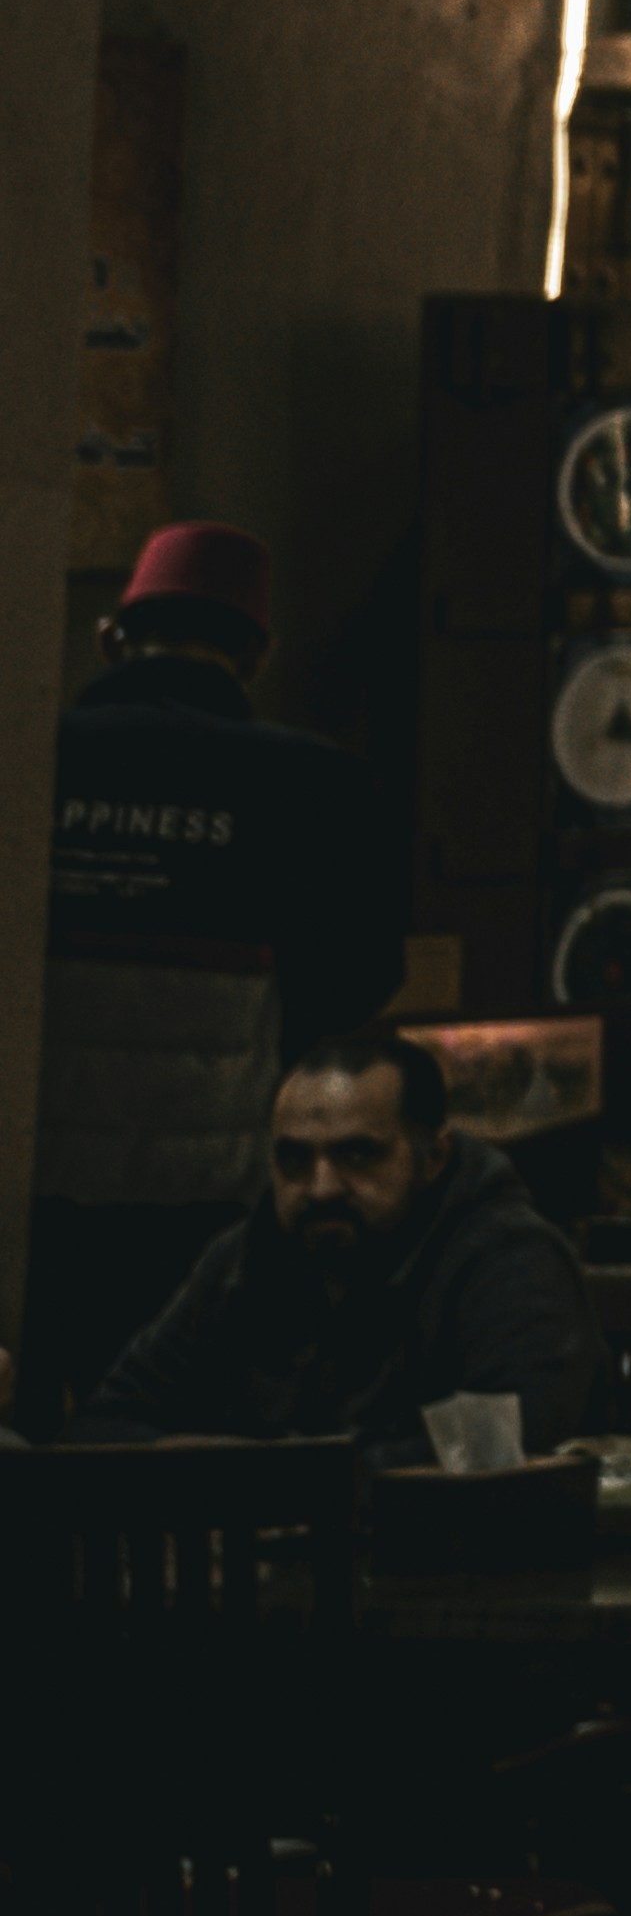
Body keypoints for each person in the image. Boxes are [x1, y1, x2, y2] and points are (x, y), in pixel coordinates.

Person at [35, 521, 381, 1398]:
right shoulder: (317, 783)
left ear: (113, 638)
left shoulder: (39, 754)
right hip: (214, 1210)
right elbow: (357, 983)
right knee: (186, 1441)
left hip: (37, 1203)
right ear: (257, 654)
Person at [93, 1032, 596, 1464]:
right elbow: (105, 1425)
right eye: (293, 1159)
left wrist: (265, 1475)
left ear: (434, 1156)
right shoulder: (249, 1254)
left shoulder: (508, 1259)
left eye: (357, 1155)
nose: (321, 1187)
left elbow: (507, 1450)